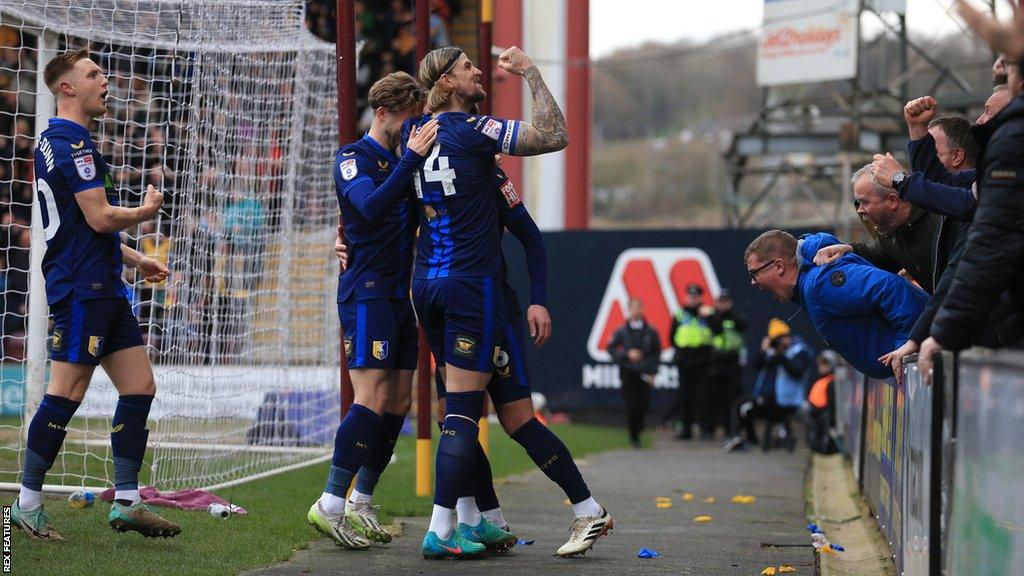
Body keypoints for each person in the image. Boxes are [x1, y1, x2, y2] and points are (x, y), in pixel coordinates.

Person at [407, 45, 610, 560]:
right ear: (448, 83)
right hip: (466, 291)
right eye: (467, 67)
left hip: (449, 291)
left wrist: (538, 298)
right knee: (461, 415)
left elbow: (528, 233)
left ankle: (486, 521)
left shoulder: (415, 142)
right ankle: (465, 525)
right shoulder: (474, 134)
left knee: (497, 416)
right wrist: (530, 73)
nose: (478, 72)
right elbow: (555, 135)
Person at [15, 48, 178, 540]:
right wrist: (145, 212)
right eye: (92, 74)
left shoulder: (58, 141)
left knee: (139, 386)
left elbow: (86, 226)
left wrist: (134, 258)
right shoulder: (73, 144)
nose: (104, 80)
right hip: (81, 288)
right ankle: (25, 504)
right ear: (67, 88)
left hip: (103, 281)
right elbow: (100, 217)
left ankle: (127, 501)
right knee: (67, 392)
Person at [430, 166, 607, 556]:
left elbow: (530, 235)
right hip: (449, 306)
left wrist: (538, 298)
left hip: (491, 310)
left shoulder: (489, 177)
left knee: (517, 420)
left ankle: (587, 508)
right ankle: (487, 519)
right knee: (452, 418)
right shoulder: (421, 167)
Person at [306, 72, 438, 550]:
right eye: (407, 120)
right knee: (370, 397)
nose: (412, 130)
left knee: (398, 403)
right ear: (381, 114)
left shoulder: (405, 161)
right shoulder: (352, 158)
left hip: (400, 297)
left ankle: (362, 500)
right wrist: (411, 161)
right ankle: (330, 502)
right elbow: (370, 206)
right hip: (366, 292)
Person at [919, 56, 1024, 380]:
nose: (979, 122)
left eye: (991, 112)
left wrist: (940, 331)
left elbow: (984, 249)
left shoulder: (1011, 145)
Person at [744, 230, 927, 380]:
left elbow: (888, 287)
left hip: (923, 366)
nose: (753, 283)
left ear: (778, 266)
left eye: (754, 273)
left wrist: (907, 346)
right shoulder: (811, 283)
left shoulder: (819, 284)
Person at [814, 164, 939, 293]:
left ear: (893, 201)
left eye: (865, 202)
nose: (860, 210)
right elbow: (880, 257)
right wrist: (848, 249)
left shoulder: (940, 222)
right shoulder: (890, 233)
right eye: (858, 203)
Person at [724, 319, 811, 453]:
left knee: (743, 406)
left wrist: (781, 356)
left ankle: (746, 439)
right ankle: (748, 439)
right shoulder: (773, 353)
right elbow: (756, 365)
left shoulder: (799, 351)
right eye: (776, 339)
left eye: (782, 338)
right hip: (769, 398)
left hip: (786, 401)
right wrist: (763, 351)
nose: (780, 342)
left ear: (788, 336)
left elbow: (797, 372)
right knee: (741, 405)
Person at [607, 298, 661, 448]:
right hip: (627, 372)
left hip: (644, 372)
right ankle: (634, 437)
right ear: (628, 309)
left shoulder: (651, 331)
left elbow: (656, 353)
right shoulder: (621, 331)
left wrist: (653, 372)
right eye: (632, 307)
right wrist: (626, 354)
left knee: (643, 405)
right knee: (631, 405)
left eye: (638, 307)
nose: (635, 310)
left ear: (642, 309)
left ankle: (640, 426)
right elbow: (611, 349)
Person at [665, 283, 713, 439]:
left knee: (704, 395)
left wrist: (711, 317)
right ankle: (686, 430)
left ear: (700, 297)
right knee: (685, 396)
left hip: (703, 358)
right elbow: (672, 337)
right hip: (685, 360)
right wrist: (681, 353)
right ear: (686, 297)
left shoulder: (707, 313)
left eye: (696, 296)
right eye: (690, 296)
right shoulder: (680, 314)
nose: (693, 299)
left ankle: (705, 429)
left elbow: (718, 331)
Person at [707, 290, 746, 437]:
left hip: (732, 360)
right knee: (717, 397)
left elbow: (743, 325)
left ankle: (733, 429)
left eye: (725, 301)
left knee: (733, 397)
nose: (723, 305)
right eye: (720, 302)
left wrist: (728, 313)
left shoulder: (735, 316)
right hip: (717, 361)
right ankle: (718, 427)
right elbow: (714, 328)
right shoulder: (713, 317)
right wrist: (719, 314)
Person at [806, 352, 838, 455]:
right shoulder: (822, 379)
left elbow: (831, 407)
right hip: (815, 414)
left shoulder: (832, 381)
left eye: (825, 364)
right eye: (820, 364)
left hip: (823, 415)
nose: (822, 367)